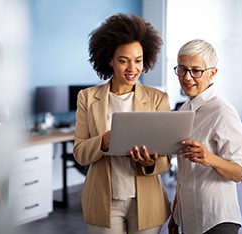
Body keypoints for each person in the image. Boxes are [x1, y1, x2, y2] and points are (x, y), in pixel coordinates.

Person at [73, 13, 171, 234]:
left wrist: (149, 163)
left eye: (138, 60)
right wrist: (103, 141)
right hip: (104, 200)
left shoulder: (158, 99)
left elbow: (166, 161)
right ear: (109, 59)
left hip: (146, 199)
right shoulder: (87, 98)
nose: (132, 68)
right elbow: (79, 153)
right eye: (123, 60)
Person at [168, 39, 242, 234]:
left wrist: (209, 158)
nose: (187, 77)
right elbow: (185, 173)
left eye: (196, 70)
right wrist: (175, 214)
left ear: (212, 73)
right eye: (182, 69)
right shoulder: (184, 109)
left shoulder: (222, 111)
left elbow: (239, 172)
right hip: (187, 218)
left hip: (216, 220)